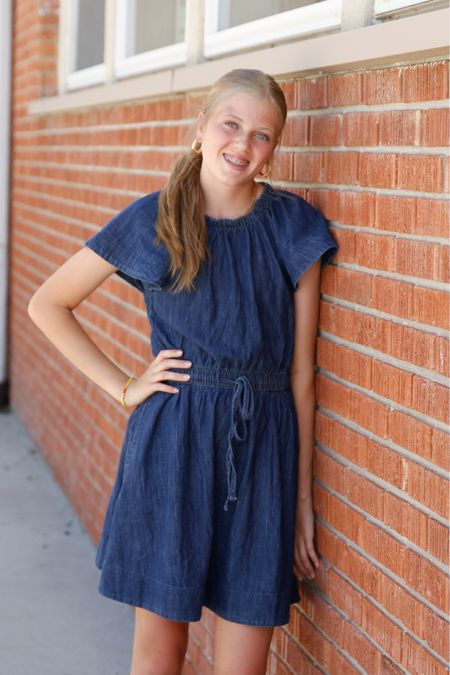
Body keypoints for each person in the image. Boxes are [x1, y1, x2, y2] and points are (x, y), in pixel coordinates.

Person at [28, 68, 338, 675]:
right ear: (201, 128)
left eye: (263, 135)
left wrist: (301, 500)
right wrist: (124, 385)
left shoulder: (292, 228)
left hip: (262, 453)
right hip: (171, 445)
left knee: (244, 662)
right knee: (158, 654)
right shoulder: (152, 219)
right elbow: (49, 304)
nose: (243, 145)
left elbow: (303, 377)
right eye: (231, 124)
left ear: (275, 148)